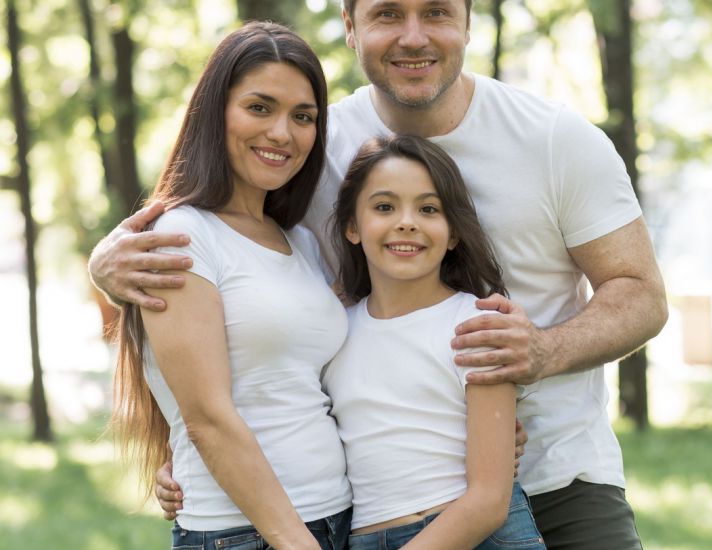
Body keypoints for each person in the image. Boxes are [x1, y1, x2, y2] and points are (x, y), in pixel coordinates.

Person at [91, 0, 668, 548]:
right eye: (388, 12)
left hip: (558, 472)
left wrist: (542, 353)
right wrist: (192, 445)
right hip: (372, 507)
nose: (413, 36)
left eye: (437, 11)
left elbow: (641, 295)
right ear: (349, 24)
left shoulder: (554, 139)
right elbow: (252, 311)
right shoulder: (314, 150)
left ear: (469, 23)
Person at [109, 22, 352, 550]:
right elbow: (209, 419)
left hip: (335, 516)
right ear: (215, 111)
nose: (282, 133)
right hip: (249, 535)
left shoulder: (301, 243)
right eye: (260, 107)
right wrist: (296, 542)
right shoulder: (182, 235)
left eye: (303, 116)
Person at [327, 135, 545, 550]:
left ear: (453, 233)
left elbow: (488, 500)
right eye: (384, 207)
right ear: (352, 226)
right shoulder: (333, 331)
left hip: (476, 534)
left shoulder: (476, 325)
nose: (407, 222)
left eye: (428, 209)